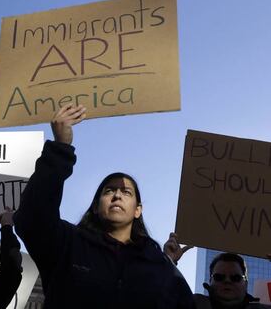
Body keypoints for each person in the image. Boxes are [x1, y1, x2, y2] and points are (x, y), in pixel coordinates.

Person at [13, 104, 195, 308]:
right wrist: (60, 147)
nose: (117, 195)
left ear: (138, 210)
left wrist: (169, 262)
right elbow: (32, 218)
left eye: (126, 192)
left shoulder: (159, 264)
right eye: (109, 191)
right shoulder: (67, 244)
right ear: (96, 206)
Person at [164, 233, 271, 308]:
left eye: (235, 278)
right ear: (210, 280)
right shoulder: (191, 305)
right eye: (219, 277)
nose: (227, 281)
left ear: (246, 283)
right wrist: (168, 261)